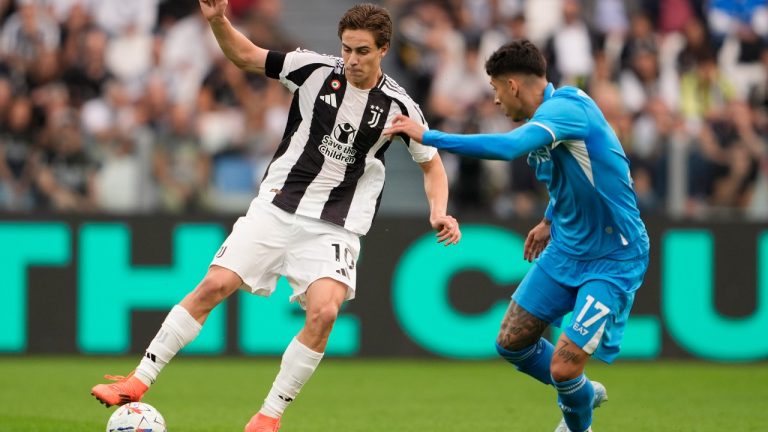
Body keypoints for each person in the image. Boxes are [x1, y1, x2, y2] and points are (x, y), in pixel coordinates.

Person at [90, 2, 461, 431]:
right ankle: (138, 380)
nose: (352, 60)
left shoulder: (400, 106)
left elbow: (431, 164)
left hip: (334, 226)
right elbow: (246, 55)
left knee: (324, 312)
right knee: (214, 284)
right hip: (276, 206)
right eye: (347, 49)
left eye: (362, 51)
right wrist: (217, 21)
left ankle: (269, 416)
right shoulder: (315, 70)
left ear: (383, 49)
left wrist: (438, 212)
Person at [386, 40, 649, 432]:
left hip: (614, 256)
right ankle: (580, 391)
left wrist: (429, 136)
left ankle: (577, 416)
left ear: (512, 85)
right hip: (566, 247)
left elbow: (509, 149)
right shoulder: (548, 123)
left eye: (494, 90)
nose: (494, 101)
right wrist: (548, 220)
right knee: (511, 342)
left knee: (562, 366)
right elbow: (571, 178)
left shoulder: (567, 109)